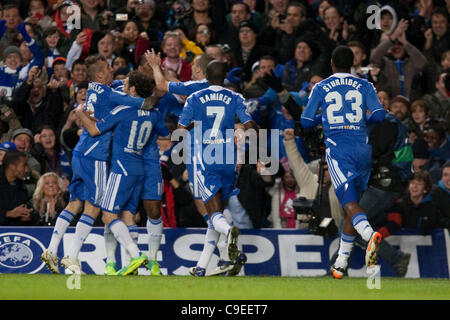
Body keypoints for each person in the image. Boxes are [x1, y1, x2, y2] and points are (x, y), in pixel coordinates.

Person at [40, 55, 153, 274]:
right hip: (96, 157)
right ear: (100, 75)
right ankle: (71, 258)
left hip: (80, 153)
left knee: (75, 203)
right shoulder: (111, 95)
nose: (114, 70)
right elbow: (144, 102)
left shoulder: (93, 88)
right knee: (94, 207)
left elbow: (117, 85)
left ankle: (51, 249)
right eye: (110, 68)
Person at [301, 45, 386, 279]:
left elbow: (306, 121)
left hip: (339, 149)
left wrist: (323, 116)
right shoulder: (364, 85)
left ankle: (369, 236)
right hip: (363, 147)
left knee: (348, 202)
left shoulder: (321, 86)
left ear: (331, 63)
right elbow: (379, 115)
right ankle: (340, 263)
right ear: (352, 64)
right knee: (353, 205)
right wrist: (360, 117)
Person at [75, 71, 166, 276]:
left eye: (126, 83)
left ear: (132, 89)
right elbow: (165, 133)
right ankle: (127, 264)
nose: (123, 85)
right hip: (140, 169)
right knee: (126, 215)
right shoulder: (154, 113)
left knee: (108, 215)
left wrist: (80, 114)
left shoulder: (124, 110)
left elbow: (95, 130)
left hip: (121, 168)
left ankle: (134, 256)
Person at [177, 60, 258, 277]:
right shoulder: (236, 97)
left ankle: (229, 231)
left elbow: (180, 129)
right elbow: (250, 126)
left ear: (205, 76)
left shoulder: (195, 98)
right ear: (223, 78)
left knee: (214, 214)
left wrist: (196, 124)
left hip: (207, 158)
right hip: (229, 159)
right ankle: (202, 266)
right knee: (217, 212)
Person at [0, 150, 40, 226]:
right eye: (24, 165)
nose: (27, 170)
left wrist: (28, 217)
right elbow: (11, 214)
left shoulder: (21, 186)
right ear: (12, 166)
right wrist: (7, 214)